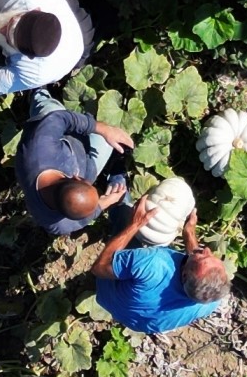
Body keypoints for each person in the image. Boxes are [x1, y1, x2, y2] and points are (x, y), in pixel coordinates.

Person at [93, 199, 231, 336]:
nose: (206, 249)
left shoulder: (153, 263)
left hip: (107, 293)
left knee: (125, 218)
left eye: (202, 256)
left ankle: (120, 200)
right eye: (211, 256)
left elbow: (99, 268)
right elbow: (197, 267)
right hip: (135, 322)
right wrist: (189, 233)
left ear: (184, 275)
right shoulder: (211, 300)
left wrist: (135, 224)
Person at [19, 96, 133, 238]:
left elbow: (59, 118)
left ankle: (38, 93)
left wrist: (104, 129)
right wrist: (109, 200)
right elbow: (85, 217)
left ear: (75, 176)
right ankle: (38, 93)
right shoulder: (59, 224)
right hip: (80, 156)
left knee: (50, 110)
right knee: (111, 143)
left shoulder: (39, 148)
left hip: (56, 130)